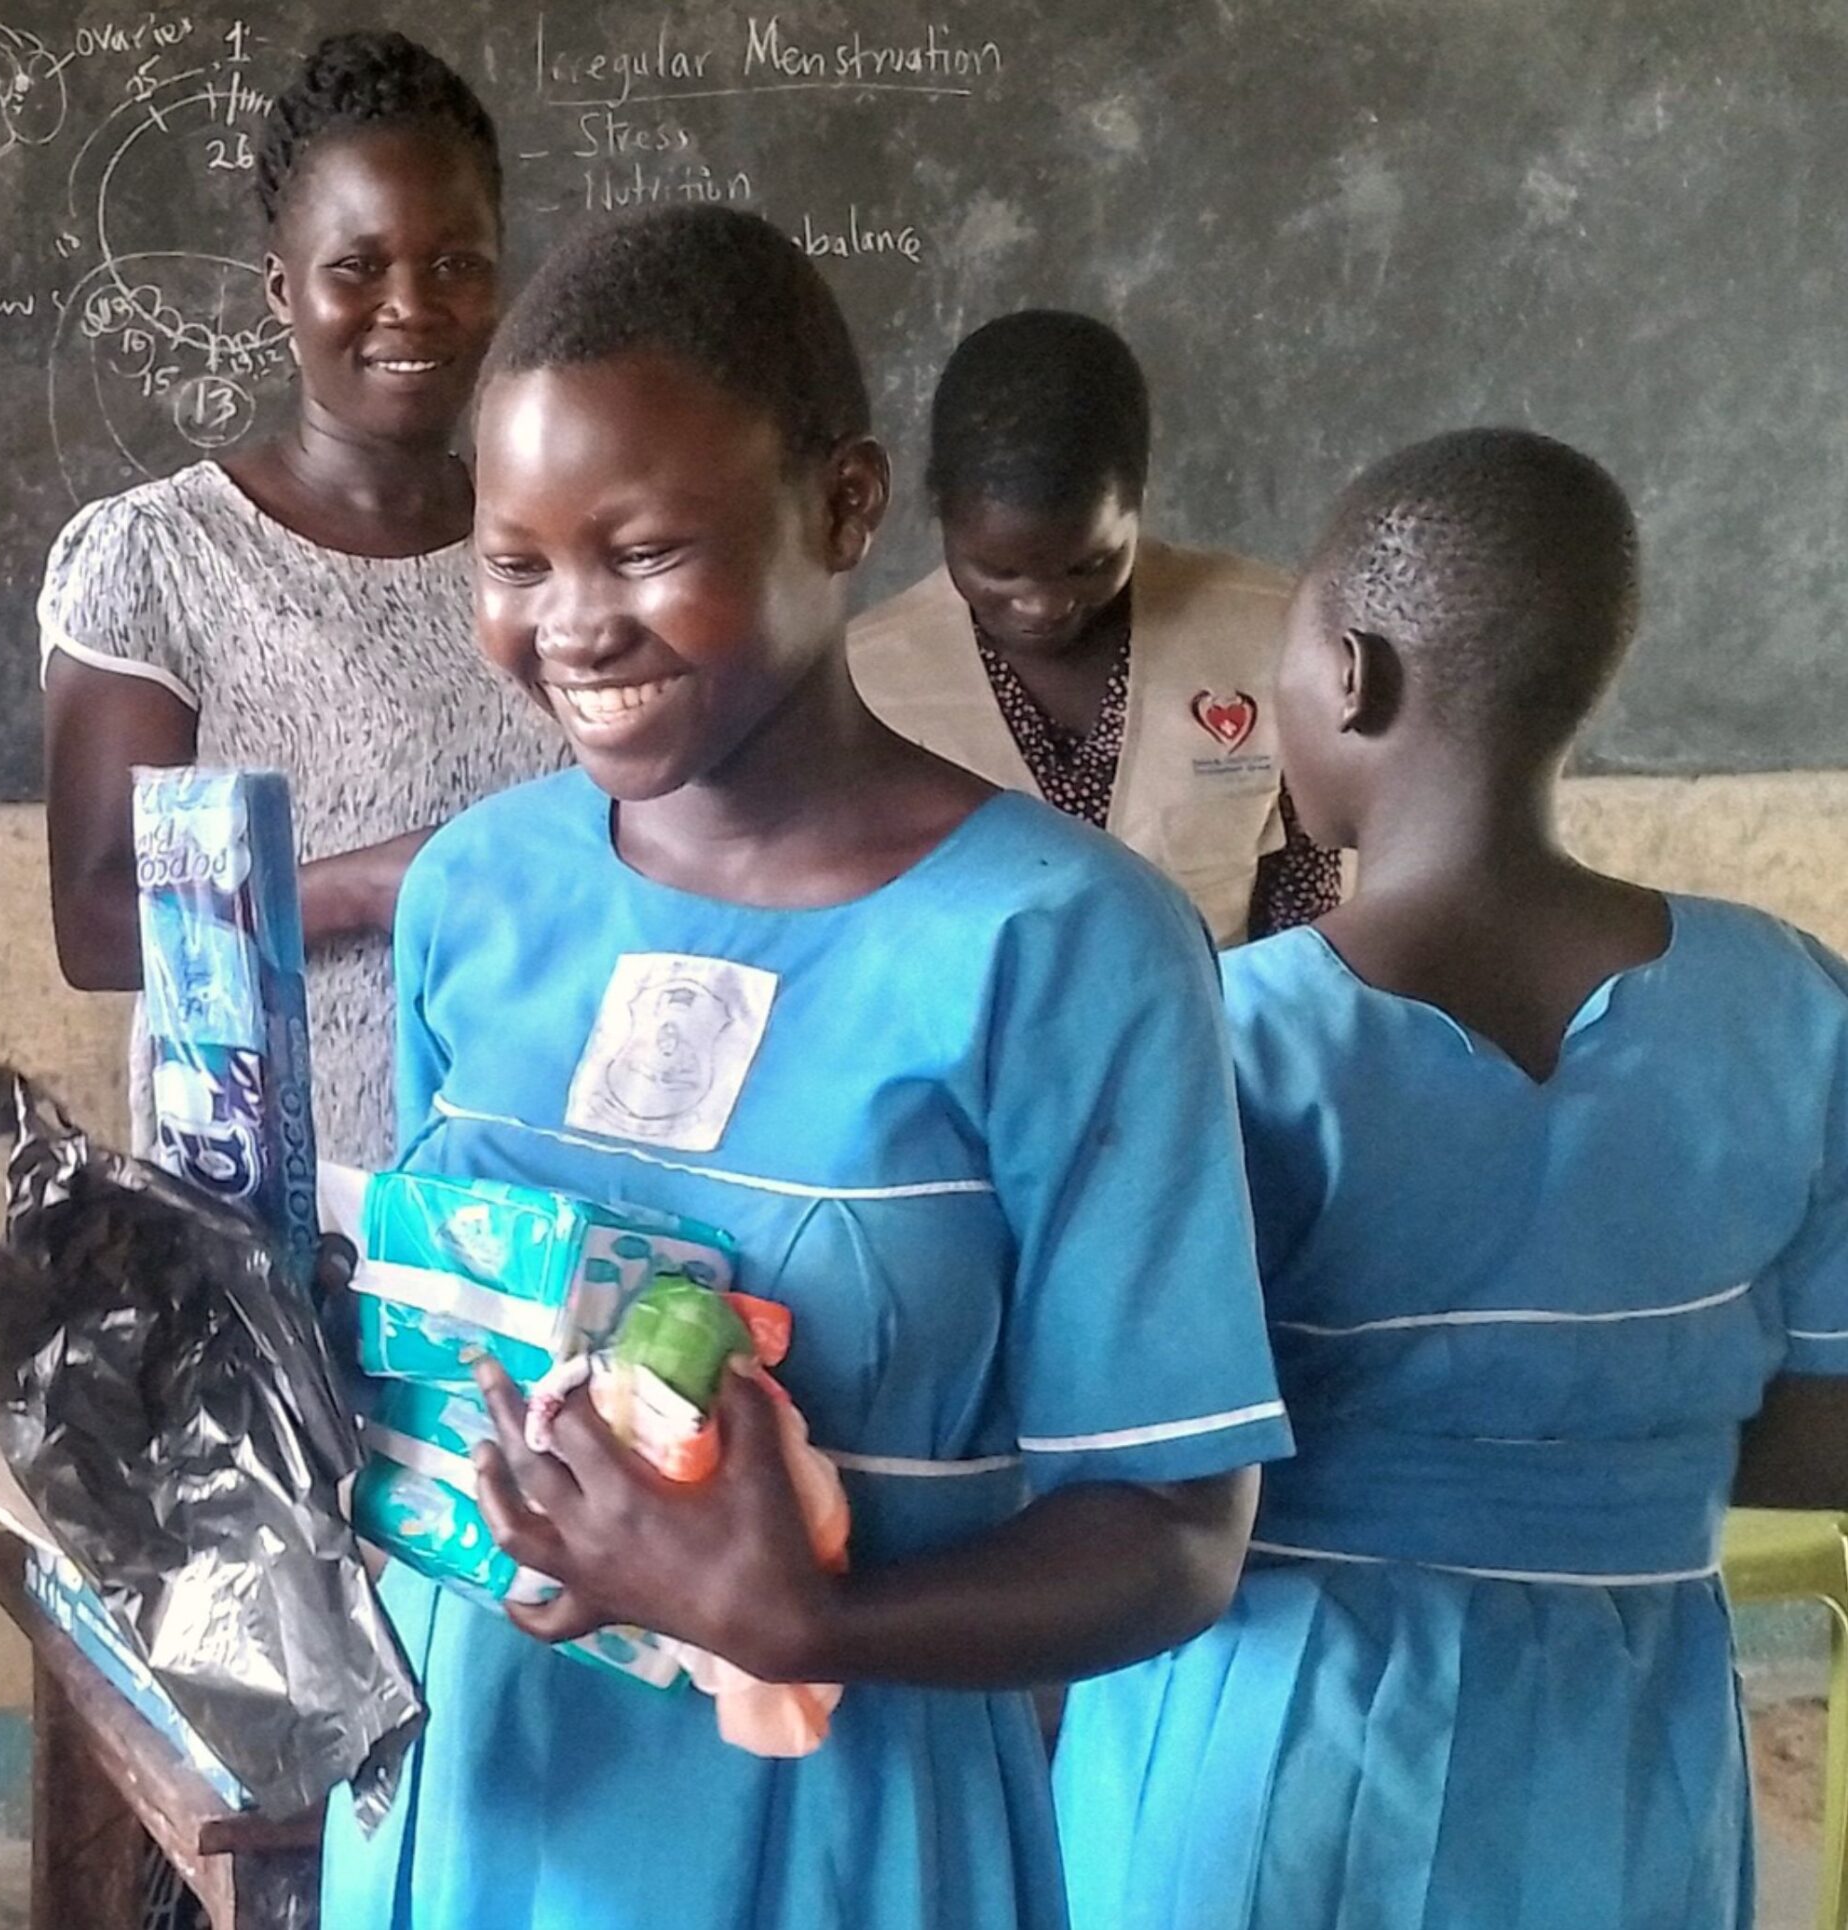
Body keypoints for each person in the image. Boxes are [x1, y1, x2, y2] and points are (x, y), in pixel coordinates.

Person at [322, 204, 1293, 1930]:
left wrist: (806, 1624)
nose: (574, 626)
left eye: (642, 550)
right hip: (488, 1787)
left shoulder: (1066, 947)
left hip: (841, 1819)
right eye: (516, 561)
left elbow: (1174, 1534)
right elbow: (457, 1345)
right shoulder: (478, 889)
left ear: (843, 508)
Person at [1050, 429, 1848, 1930]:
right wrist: (1582, 1475)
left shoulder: (1223, 1034)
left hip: (1261, 1726)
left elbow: (1118, 1451)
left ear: (1349, 675)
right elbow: (1826, 1437)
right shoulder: (1798, 1006)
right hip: (1619, 1741)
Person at [41, 30, 558, 1168]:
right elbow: (95, 926)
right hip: (273, 1212)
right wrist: (371, 884)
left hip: (527, 1204)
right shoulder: (162, 557)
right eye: (357, 267)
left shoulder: (558, 550)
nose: (410, 306)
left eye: (456, 263)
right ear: (283, 288)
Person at [849, 310, 1341, 944]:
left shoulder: (1270, 629)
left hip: (1222, 1033)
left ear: (1137, 499)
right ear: (940, 511)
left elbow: (1306, 913)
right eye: (998, 571)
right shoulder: (865, 680)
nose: (1043, 604)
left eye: (1091, 564)